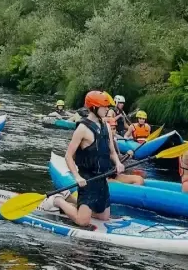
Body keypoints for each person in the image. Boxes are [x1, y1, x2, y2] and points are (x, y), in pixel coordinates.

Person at [40, 91, 125, 225]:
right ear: (94, 108)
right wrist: (77, 177)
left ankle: (70, 199)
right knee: (82, 221)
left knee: (104, 218)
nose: (108, 109)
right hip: (87, 178)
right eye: (104, 107)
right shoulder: (82, 129)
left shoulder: (106, 126)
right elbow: (68, 156)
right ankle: (57, 200)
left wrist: (118, 163)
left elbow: (112, 152)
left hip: (102, 178)